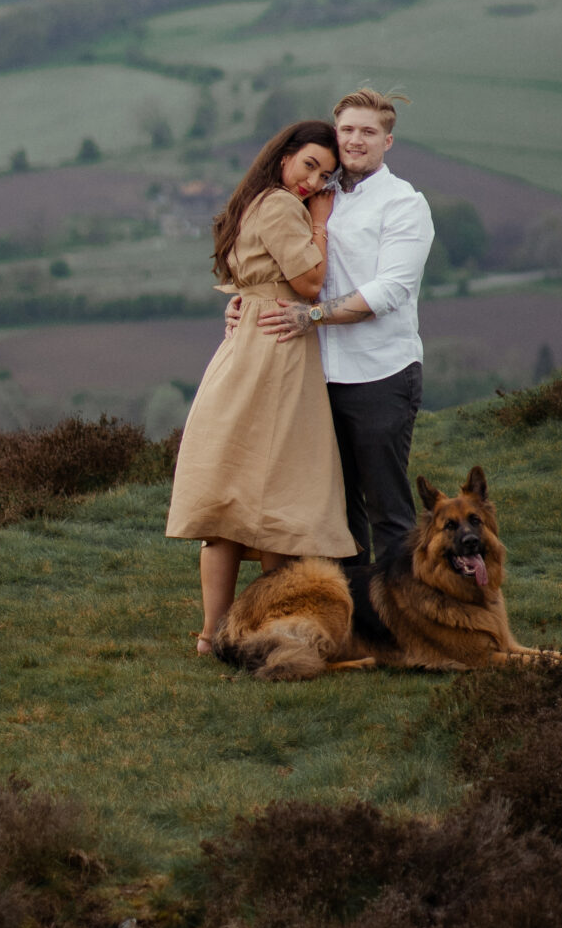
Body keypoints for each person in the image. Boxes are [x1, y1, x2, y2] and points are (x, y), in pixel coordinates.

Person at [166, 119, 350, 655]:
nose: (313, 182)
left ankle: (211, 637)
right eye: (309, 165)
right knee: (280, 501)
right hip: (276, 357)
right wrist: (320, 221)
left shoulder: (255, 200)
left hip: (244, 352)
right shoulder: (281, 205)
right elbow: (309, 283)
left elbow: (252, 280)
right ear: (284, 154)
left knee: (232, 503)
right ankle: (260, 628)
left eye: (325, 176)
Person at [255, 87, 434, 567]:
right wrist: (241, 305)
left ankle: (401, 625)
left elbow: (390, 290)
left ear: (387, 142)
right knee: (335, 515)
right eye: (348, 130)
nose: (356, 141)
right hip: (316, 377)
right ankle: (354, 626)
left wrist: (311, 316)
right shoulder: (317, 196)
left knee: (388, 512)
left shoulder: (403, 204)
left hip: (379, 374)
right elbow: (275, 265)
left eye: (368, 132)